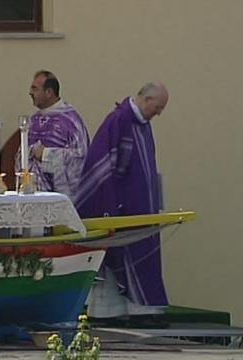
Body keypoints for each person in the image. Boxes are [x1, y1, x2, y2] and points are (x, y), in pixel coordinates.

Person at [75, 82, 169, 321]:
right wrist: (110, 205)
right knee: (121, 258)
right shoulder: (119, 121)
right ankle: (112, 311)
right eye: (158, 107)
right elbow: (103, 167)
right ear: (146, 100)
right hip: (122, 208)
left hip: (142, 209)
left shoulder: (143, 125)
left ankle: (140, 309)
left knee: (143, 258)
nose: (159, 113)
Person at [22, 70, 89, 199]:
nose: (30, 93)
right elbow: (23, 155)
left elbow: (81, 156)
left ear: (48, 92)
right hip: (32, 194)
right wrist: (29, 153)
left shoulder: (70, 121)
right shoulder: (33, 120)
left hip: (59, 197)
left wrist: (47, 155)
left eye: (35, 88)